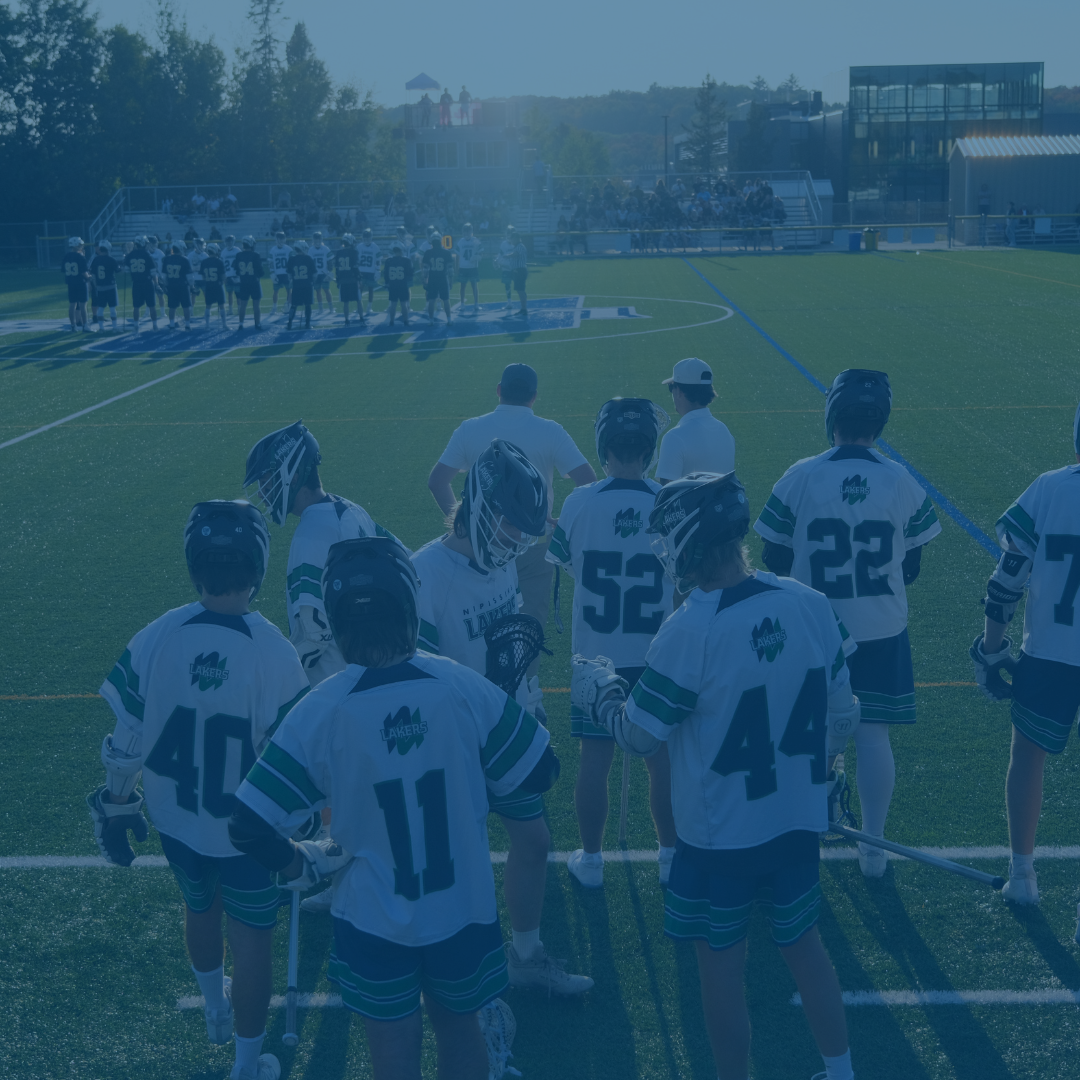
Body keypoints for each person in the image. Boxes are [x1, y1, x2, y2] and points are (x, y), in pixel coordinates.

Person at [228, 535, 553, 1079]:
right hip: (460, 908)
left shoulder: (323, 708)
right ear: (407, 603)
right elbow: (541, 770)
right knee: (460, 1032)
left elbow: (247, 825)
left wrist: (300, 864)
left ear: (336, 620)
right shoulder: (459, 685)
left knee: (394, 1057)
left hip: (372, 917)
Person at [571, 471, 859, 1080]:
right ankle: (841, 1071)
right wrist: (825, 775)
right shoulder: (807, 603)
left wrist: (601, 695)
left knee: (721, 965)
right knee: (804, 945)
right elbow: (844, 715)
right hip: (795, 823)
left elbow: (636, 734)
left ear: (685, 542)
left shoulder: (690, 630)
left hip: (719, 836)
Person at [88, 500, 309, 1080]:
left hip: (176, 819)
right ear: (258, 565)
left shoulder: (158, 635)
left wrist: (116, 803)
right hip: (245, 833)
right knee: (253, 938)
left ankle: (214, 1008)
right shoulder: (274, 653)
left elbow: (126, 738)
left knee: (198, 905)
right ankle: (244, 1063)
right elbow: (292, 761)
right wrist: (308, 828)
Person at [413, 441, 593, 996]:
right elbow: (415, 677)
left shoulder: (502, 564)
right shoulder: (425, 573)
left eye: (524, 531)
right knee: (456, 866)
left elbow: (509, 644)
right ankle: (453, 964)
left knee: (534, 842)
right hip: (449, 742)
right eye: (511, 527)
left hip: (501, 725)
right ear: (478, 505)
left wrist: (528, 698)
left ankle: (525, 954)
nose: (517, 541)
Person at [754, 369, 941, 878]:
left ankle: (804, 837)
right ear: (880, 421)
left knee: (808, 738)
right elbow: (913, 566)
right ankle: (873, 848)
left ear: (832, 416)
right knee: (874, 735)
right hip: (880, 626)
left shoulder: (802, 476)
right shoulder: (900, 479)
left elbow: (773, 559)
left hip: (814, 631)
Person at [243, 422, 399, 915]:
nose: (266, 489)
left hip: (343, 679)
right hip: (383, 665)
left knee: (346, 785)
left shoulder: (310, 536)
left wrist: (315, 700)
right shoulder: (350, 508)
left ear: (291, 470)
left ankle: (348, 880)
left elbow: (310, 635)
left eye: (269, 477)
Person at [546, 398, 679, 887]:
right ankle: (669, 856)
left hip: (595, 657)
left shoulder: (580, 502)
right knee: (660, 758)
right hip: (655, 654)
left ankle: (592, 858)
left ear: (604, 445)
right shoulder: (667, 500)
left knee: (595, 760)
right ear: (650, 446)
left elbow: (563, 562)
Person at [427, 363, 597, 697]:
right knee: (526, 629)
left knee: (476, 626)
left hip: (477, 546)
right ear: (534, 397)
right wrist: (559, 523)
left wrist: (463, 524)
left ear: (499, 390)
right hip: (531, 544)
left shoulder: (470, 429)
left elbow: (438, 481)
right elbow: (587, 482)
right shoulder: (550, 431)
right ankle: (526, 697)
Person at [969, 403, 1080, 910]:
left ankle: (1023, 873)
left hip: (1051, 653)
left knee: (1028, 757)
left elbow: (1007, 578)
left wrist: (992, 650)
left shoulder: (1049, 488)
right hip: (1052, 654)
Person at [655, 358, 736, 484]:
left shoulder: (674, 437)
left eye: (671, 387)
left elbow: (667, 496)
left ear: (680, 391)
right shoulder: (725, 431)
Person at [123, 236, 159, 333]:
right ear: (143, 244)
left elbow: (126, 271)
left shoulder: (130, 256)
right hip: (147, 283)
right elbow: (153, 272)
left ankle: (136, 326)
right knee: (152, 305)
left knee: (136, 306)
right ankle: (155, 326)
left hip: (136, 283)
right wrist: (157, 284)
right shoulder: (147, 255)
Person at [89, 240, 120, 332]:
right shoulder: (111, 259)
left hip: (100, 287)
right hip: (110, 286)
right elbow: (118, 270)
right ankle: (114, 327)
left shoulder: (95, 259)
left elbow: (92, 274)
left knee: (101, 308)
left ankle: (101, 327)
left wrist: (94, 284)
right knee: (112, 308)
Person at [162, 242, 194, 331]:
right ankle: (187, 325)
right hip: (183, 285)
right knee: (186, 306)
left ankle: (171, 324)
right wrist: (192, 286)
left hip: (171, 285)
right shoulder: (184, 260)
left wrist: (165, 285)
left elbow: (164, 276)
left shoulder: (167, 259)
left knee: (172, 307)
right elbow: (189, 277)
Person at [381, 241, 414, 328]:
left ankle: (391, 321)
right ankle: (406, 321)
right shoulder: (406, 260)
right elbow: (410, 273)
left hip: (393, 285)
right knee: (404, 304)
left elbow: (386, 274)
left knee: (393, 304)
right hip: (402, 285)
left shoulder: (389, 261)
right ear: (401, 250)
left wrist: (387, 283)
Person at [422, 233, 453, 324]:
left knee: (431, 300)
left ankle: (431, 320)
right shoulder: (446, 252)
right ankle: (449, 320)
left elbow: (425, 269)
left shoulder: (428, 252)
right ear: (440, 241)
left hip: (432, 278)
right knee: (446, 300)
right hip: (443, 278)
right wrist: (451, 280)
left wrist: (425, 280)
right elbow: (450, 269)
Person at [285, 240, 316, 330]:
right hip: (307, 285)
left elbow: (289, 275)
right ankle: (307, 324)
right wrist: (313, 282)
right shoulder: (308, 258)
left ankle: (289, 323)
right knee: (307, 305)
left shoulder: (292, 259)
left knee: (294, 305)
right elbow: (314, 274)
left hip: (296, 285)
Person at [235, 237, 264, 331]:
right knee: (256, 304)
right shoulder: (255, 255)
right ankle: (257, 324)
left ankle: (240, 324)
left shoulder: (239, 255)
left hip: (243, 282)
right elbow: (260, 271)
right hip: (254, 282)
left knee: (243, 304)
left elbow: (236, 270)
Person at [499, 229, 529, 319]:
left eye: (512, 238)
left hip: (520, 271)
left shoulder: (519, 246)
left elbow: (514, 255)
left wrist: (506, 256)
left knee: (520, 290)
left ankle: (524, 309)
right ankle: (523, 308)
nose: (511, 240)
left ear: (516, 238)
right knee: (520, 290)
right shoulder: (518, 246)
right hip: (518, 270)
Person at [63, 236, 89, 331]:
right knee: (83, 305)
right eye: (80, 245)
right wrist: (89, 277)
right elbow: (84, 272)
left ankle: (73, 326)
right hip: (81, 283)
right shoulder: (80, 257)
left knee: (72, 304)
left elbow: (64, 270)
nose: (81, 246)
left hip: (71, 283)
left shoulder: (66, 256)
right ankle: (85, 325)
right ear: (76, 246)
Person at [199, 243, 228, 329]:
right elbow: (223, 276)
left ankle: (207, 325)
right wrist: (225, 281)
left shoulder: (204, 262)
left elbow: (203, 276)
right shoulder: (219, 262)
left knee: (208, 306)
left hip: (208, 286)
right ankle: (224, 325)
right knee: (222, 305)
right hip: (218, 286)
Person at [333, 233, 360, 325]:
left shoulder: (339, 253)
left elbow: (336, 268)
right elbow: (355, 266)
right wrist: (359, 277)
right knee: (358, 300)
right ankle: (361, 318)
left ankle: (346, 320)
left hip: (343, 280)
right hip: (352, 279)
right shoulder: (354, 252)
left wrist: (338, 279)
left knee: (346, 302)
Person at [454, 223, 482, 312]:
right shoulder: (460, 242)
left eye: (468, 230)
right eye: (465, 230)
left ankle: (476, 304)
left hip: (473, 267)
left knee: (474, 286)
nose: (466, 232)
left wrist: (477, 257)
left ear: (471, 231)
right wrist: (456, 268)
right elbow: (457, 256)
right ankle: (462, 304)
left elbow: (481, 253)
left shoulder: (476, 241)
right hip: (463, 267)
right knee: (462, 286)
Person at [356, 228, 382, 317]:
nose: (367, 240)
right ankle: (359, 307)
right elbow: (356, 260)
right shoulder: (359, 247)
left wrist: (377, 270)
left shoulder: (375, 247)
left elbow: (378, 260)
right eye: (365, 238)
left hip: (371, 271)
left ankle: (369, 307)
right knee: (360, 290)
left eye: (368, 238)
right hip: (361, 271)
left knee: (371, 290)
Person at [308, 231, 334, 316]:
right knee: (318, 291)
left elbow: (330, 261)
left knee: (327, 290)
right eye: (316, 239)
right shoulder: (311, 250)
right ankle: (320, 308)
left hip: (324, 273)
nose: (317, 241)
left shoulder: (325, 249)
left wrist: (330, 271)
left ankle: (331, 308)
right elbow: (310, 264)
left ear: (321, 239)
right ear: (313, 240)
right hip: (316, 274)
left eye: (318, 239)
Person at [268, 231, 292, 317]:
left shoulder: (289, 249)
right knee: (275, 291)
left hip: (286, 273)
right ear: (276, 239)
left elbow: (292, 262)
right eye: (279, 238)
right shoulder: (273, 250)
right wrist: (272, 273)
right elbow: (271, 263)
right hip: (277, 273)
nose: (281, 240)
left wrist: (291, 273)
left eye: (282, 238)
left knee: (289, 291)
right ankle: (274, 307)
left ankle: (288, 306)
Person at [221, 235, 242, 316]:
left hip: (236, 275)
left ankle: (239, 309)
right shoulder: (224, 252)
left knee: (238, 294)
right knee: (229, 293)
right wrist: (224, 276)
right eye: (227, 241)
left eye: (230, 241)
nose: (229, 243)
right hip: (227, 275)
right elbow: (222, 265)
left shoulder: (237, 250)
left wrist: (239, 275)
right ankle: (230, 309)